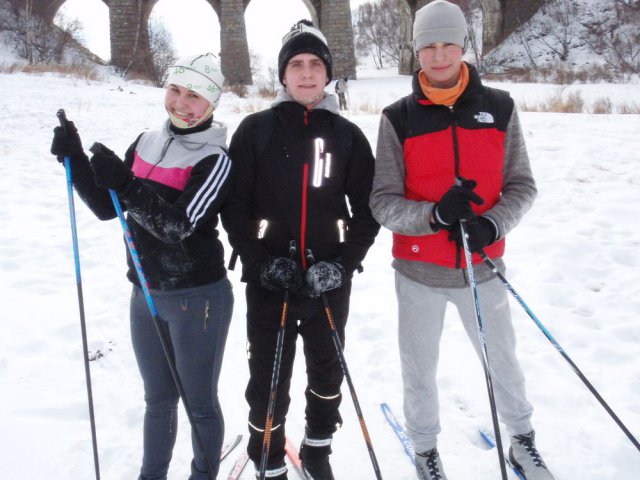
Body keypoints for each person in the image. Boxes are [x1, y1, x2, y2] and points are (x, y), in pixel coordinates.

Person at [369, 2, 554, 480]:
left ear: (463, 45)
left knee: (504, 364)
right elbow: (383, 201)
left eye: (448, 43)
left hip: (484, 268)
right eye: (428, 45)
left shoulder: (499, 107)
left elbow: (522, 185)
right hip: (418, 274)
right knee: (419, 371)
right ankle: (426, 450)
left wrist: (492, 224)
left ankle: (522, 441)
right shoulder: (398, 118)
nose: (439, 54)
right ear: (417, 51)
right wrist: (433, 215)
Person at [51, 53, 234, 480]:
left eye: (195, 96)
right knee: (157, 400)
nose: (182, 103)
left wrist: (128, 183)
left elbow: (176, 227)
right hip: (145, 292)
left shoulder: (216, 159)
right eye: (175, 90)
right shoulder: (146, 141)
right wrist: (76, 160)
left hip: (197, 298)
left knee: (199, 404)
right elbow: (106, 206)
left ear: (212, 105)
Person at [221, 19, 379, 480]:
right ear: (283, 75)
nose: (306, 73)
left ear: (327, 74)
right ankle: (268, 460)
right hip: (272, 281)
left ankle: (318, 448)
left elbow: (368, 211)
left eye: (315, 65)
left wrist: (343, 264)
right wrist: (259, 261)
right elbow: (235, 207)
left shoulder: (346, 135)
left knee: (327, 374)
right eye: (296, 65)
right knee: (268, 382)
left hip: (327, 281)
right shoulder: (255, 131)